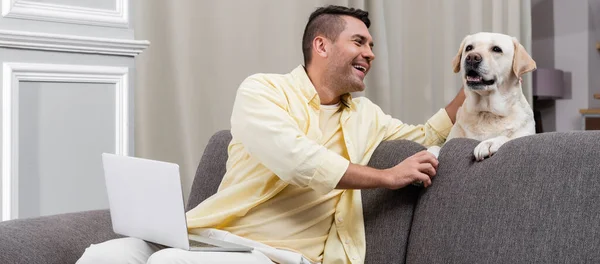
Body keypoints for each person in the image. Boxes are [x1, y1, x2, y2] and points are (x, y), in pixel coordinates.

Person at [76, 5, 465, 264]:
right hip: (214, 236)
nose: (371, 53)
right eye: (359, 42)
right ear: (322, 45)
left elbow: (426, 133)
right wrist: (385, 177)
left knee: (167, 262)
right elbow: (297, 160)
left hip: (277, 255)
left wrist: (476, 84)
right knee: (103, 256)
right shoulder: (263, 90)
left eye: (372, 46)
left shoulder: (367, 115)